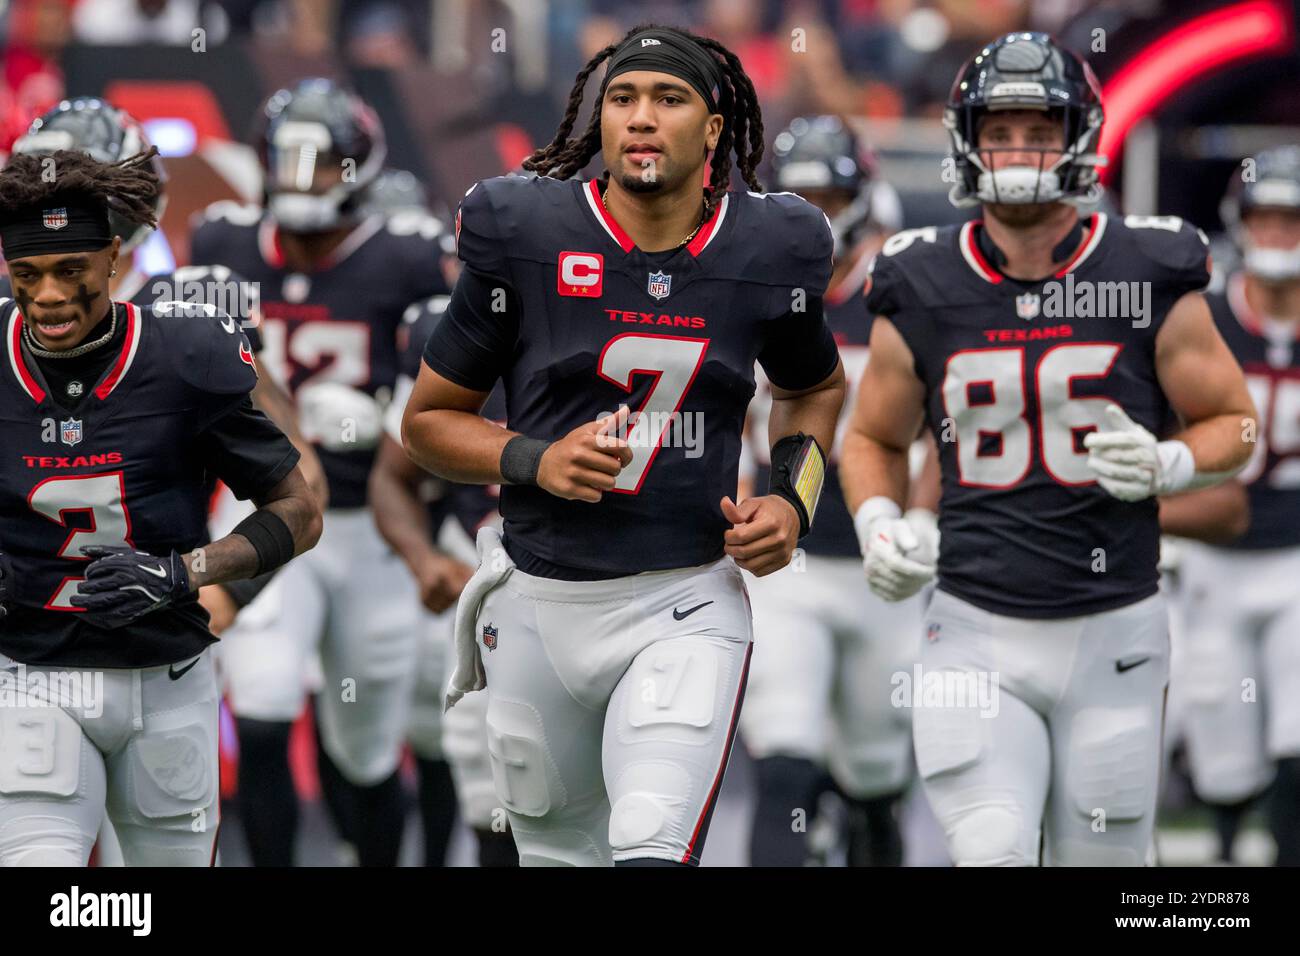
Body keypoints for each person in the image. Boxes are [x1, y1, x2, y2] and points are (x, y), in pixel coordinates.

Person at [403, 22, 847, 866]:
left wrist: (794, 498)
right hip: (539, 602)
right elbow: (426, 423)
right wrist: (534, 457)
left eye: (669, 99)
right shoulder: (523, 229)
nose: (641, 117)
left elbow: (814, 389)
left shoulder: (770, 246)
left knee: (649, 842)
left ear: (714, 129)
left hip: (681, 600)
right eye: (623, 97)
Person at [841, 31, 1256, 866]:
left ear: (1077, 138)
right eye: (1001, 131)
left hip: (1116, 628)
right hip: (971, 624)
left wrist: (1171, 463)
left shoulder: (1146, 265)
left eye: (1040, 130)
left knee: (1103, 860)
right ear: (969, 139)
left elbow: (1236, 425)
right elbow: (873, 436)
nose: (1020, 151)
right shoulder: (920, 279)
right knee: (991, 848)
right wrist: (880, 519)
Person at [0, 147, 321, 865]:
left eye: (69, 271)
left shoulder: (181, 353)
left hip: (166, 676)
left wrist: (188, 572)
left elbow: (298, 509)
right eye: (27, 275)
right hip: (33, 672)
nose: (47, 295)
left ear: (114, 258)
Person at [189, 78, 449, 866]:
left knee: (366, 750)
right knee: (263, 710)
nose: (303, 179)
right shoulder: (223, 243)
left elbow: (451, 385)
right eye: (289, 161)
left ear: (361, 166)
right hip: (267, 509)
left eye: (322, 162)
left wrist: (389, 418)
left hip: (370, 526)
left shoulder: (406, 255)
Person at [739, 114, 923, 866]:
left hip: (885, 560)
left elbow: (949, 415)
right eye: (799, 193)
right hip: (787, 562)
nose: (814, 210)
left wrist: (929, 520)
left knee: (876, 778)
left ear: (862, 197)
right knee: (784, 753)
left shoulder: (905, 286)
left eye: (829, 191)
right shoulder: (746, 283)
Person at [1177, 146, 1300, 866]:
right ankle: (1223, 869)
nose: (1280, 233)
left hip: (1296, 558)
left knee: (1295, 733)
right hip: (1213, 555)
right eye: (1268, 218)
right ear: (1240, 223)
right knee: (1222, 742)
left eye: (1293, 219)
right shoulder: (1208, 318)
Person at [370, 292, 519, 866]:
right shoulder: (451, 323)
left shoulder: (621, 313)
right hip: (482, 567)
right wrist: (422, 558)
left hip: (596, 574)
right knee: (486, 768)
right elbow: (394, 474)